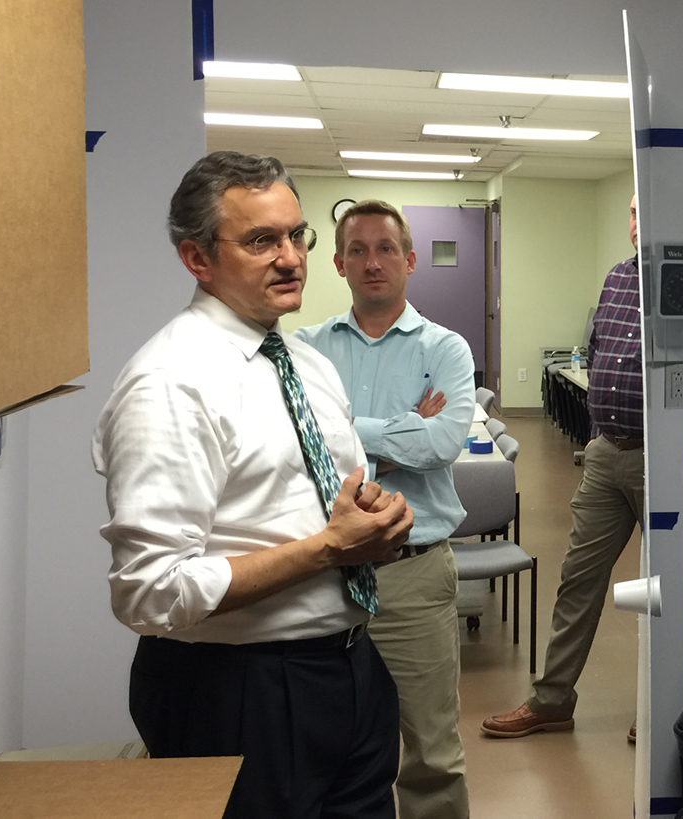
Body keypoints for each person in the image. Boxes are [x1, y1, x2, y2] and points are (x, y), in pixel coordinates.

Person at [94, 151, 412, 818]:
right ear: (197, 259)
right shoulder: (169, 381)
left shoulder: (304, 362)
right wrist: (330, 548)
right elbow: (150, 592)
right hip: (237, 692)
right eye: (262, 240)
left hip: (348, 669)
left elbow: (324, 500)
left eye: (297, 235)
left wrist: (375, 519)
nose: (291, 257)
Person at [297, 200, 474, 819]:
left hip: (413, 575)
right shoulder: (303, 349)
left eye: (387, 249)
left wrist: (342, 435)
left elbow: (443, 443)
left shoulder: (446, 348)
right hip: (322, 576)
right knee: (322, 750)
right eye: (358, 251)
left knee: (430, 754)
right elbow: (294, 447)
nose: (373, 262)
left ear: (410, 260)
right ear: (340, 263)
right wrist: (398, 438)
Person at [483, 195, 643, 740]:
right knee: (577, 579)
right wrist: (597, 435)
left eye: (649, 211)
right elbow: (599, 350)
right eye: (632, 213)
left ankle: (663, 702)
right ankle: (553, 700)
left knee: (664, 589)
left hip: (660, 460)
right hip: (606, 454)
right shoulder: (618, 276)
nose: (638, 224)